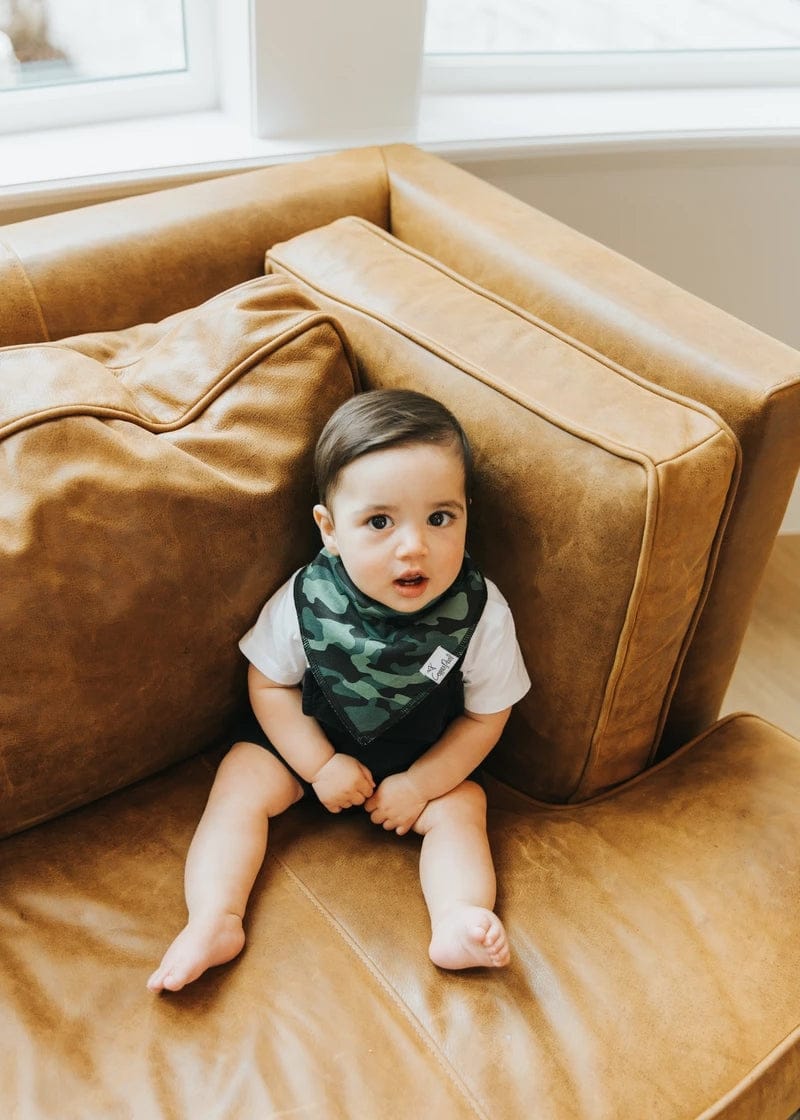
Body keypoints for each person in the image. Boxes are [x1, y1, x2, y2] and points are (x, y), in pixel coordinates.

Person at [148, 389, 530, 993]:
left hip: (419, 764)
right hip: (306, 747)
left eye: (440, 518)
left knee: (464, 807)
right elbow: (268, 683)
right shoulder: (307, 598)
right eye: (379, 522)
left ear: (467, 514)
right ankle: (214, 917)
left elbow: (488, 716)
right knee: (241, 776)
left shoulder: (480, 614)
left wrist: (421, 784)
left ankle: (458, 918)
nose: (414, 546)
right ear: (329, 529)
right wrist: (318, 765)